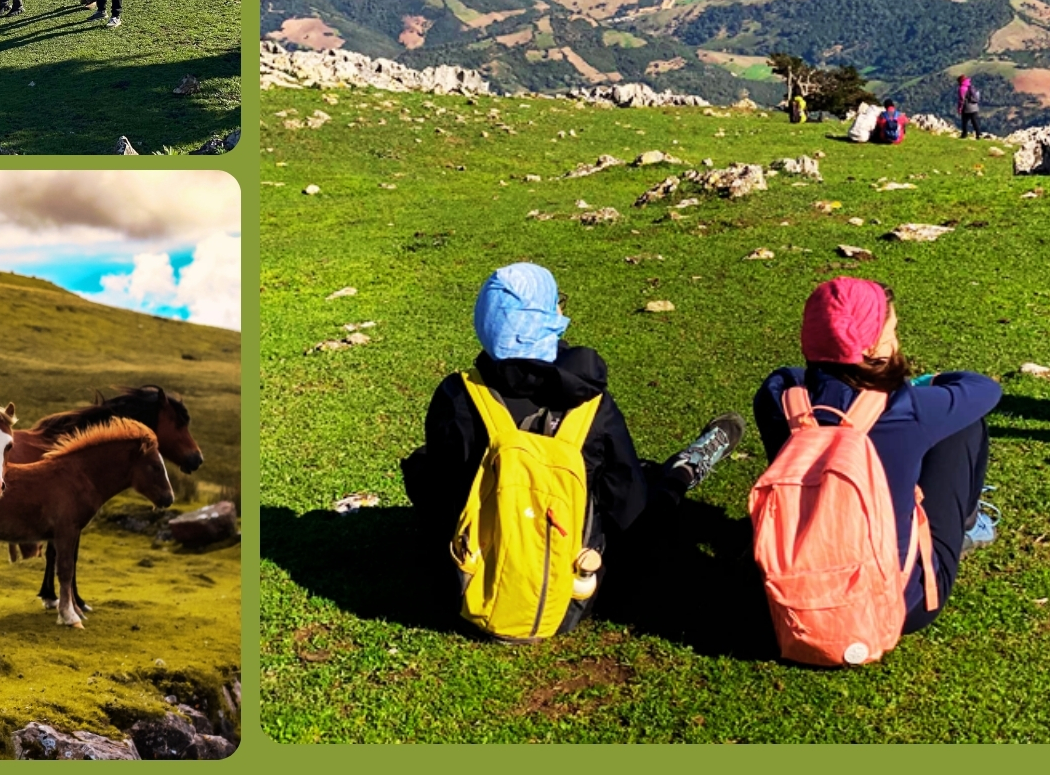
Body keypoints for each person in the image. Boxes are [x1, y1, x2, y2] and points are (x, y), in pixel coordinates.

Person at [400, 263, 744, 636]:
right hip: (570, 596)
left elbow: (441, 495)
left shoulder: (456, 396)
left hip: (468, 587)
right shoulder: (592, 405)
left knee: (424, 463)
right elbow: (628, 506)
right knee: (649, 496)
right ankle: (687, 467)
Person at [753, 278, 1001, 637]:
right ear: (870, 347)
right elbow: (984, 389)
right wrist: (930, 381)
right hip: (899, 607)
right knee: (965, 425)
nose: (896, 342)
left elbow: (787, 375)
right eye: (891, 332)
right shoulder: (908, 408)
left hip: (793, 603)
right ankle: (969, 525)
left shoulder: (777, 400)